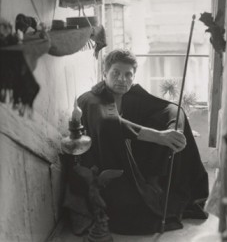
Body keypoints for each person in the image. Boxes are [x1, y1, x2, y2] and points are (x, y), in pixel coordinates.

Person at [64, 49, 209, 238]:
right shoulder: (91, 100)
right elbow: (109, 123)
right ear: (104, 73)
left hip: (132, 158)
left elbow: (171, 109)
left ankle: (153, 179)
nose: (122, 79)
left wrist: (174, 130)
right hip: (109, 169)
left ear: (133, 77)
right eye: (116, 73)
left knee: (171, 114)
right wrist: (159, 136)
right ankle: (145, 190)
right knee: (136, 213)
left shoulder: (131, 95)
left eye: (128, 75)